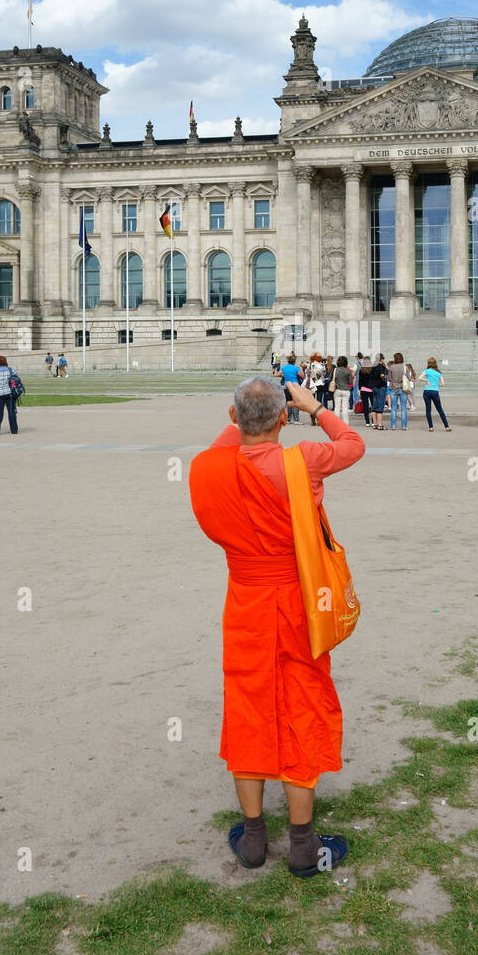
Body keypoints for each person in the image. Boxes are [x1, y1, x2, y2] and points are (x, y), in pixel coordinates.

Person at [188, 376, 364, 877]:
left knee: (248, 707)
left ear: (232, 417)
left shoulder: (207, 469)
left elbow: (230, 439)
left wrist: (241, 419)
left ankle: (254, 839)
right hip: (298, 602)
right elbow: (353, 444)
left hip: (245, 602)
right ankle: (304, 846)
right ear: (285, 419)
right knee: (302, 708)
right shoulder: (301, 460)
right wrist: (314, 407)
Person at [0, 355, 18, 435]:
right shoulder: (11, 370)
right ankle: (14, 430)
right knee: (11, 412)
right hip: (9, 393)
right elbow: (16, 381)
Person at [421, 357, 451, 431]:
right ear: (435, 364)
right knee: (440, 409)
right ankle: (447, 426)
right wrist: (436, 384)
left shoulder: (427, 371)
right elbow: (443, 384)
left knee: (428, 410)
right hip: (435, 391)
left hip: (427, 391)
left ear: (428, 364)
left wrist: (426, 381)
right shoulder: (438, 373)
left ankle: (431, 427)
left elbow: (420, 378)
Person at [387, 351, 409, 430]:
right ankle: (404, 426)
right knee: (403, 408)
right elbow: (409, 378)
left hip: (394, 388)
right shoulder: (405, 367)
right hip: (403, 388)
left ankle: (393, 426)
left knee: (393, 408)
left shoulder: (391, 367)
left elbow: (389, 378)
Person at [280, 354, 302, 423]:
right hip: (295, 386)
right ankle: (296, 419)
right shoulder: (296, 368)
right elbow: (302, 375)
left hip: (286, 386)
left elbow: (278, 374)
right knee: (295, 402)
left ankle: (288, 419)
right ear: (294, 361)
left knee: (287, 402)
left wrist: (284, 375)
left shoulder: (284, 367)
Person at [369, 353, 388, 430]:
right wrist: (385, 377)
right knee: (380, 406)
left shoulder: (372, 367)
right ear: (381, 359)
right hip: (381, 387)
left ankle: (375, 424)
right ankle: (380, 425)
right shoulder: (380, 366)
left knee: (374, 406)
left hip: (374, 387)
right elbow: (382, 375)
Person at [332, 355, 353, 422]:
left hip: (337, 390)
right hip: (346, 390)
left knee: (337, 407)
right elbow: (350, 382)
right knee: (345, 408)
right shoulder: (348, 371)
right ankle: (345, 423)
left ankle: (336, 422)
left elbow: (332, 379)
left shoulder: (335, 370)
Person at [356, 356, 373, 425]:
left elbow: (360, 382)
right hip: (371, 389)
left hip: (363, 389)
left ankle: (367, 422)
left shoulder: (361, 370)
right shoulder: (372, 370)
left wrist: (359, 390)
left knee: (365, 406)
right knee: (373, 405)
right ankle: (373, 420)